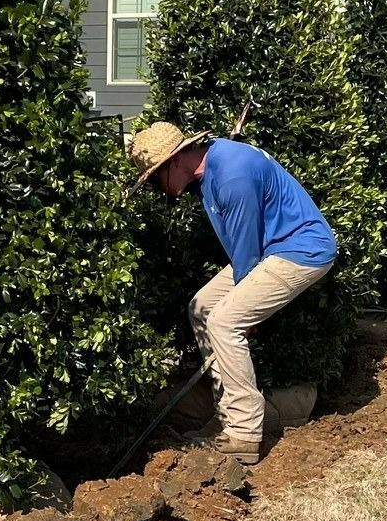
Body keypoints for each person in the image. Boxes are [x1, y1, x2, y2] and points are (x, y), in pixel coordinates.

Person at [131, 123, 337, 463]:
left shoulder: (231, 175)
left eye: (155, 178)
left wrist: (246, 307)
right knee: (202, 308)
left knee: (226, 321)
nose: (157, 188)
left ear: (175, 160)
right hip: (272, 248)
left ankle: (243, 432)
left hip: (301, 251)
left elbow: (245, 253)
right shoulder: (212, 167)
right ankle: (226, 417)